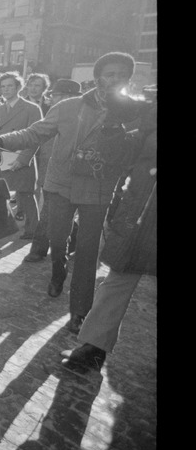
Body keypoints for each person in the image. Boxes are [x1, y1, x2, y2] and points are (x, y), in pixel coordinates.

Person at [0, 52, 138, 333]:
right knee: (58, 240)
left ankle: (80, 311)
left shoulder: (132, 112)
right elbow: (34, 134)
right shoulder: (68, 106)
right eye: (110, 73)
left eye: (121, 74)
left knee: (88, 250)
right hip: (60, 185)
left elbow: (135, 152)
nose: (115, 79)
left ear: (128, 79)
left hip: (98, 188)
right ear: (97, 78)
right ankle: (59, 269)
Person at [59, 88, 156, 374]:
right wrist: (115, 121)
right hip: (140, 210)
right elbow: (121, 153)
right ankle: (94, 345)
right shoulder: (151, 107)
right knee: (119, 275)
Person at [23, 79, 81, 263]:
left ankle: (70, 242)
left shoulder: (82, 116)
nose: (55, 99)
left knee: (67, 211)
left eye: (59, 96)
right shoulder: (51, 113)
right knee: (49, 210)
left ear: (71, 97)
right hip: (51, 170)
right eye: (55, 95)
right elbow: (37, 139)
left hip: (74, 172)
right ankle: (39, 249)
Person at [0, 72, 42, 239]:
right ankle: (3, 226)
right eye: (3, 86)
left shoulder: (32, 108)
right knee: (0, 193)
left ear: (19, 87)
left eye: (10, 86)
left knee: (25, 195)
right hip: (2, 159)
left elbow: (36, 137)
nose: (5, 90)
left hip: (21, 158)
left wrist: (23, 159)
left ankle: (33, 229)